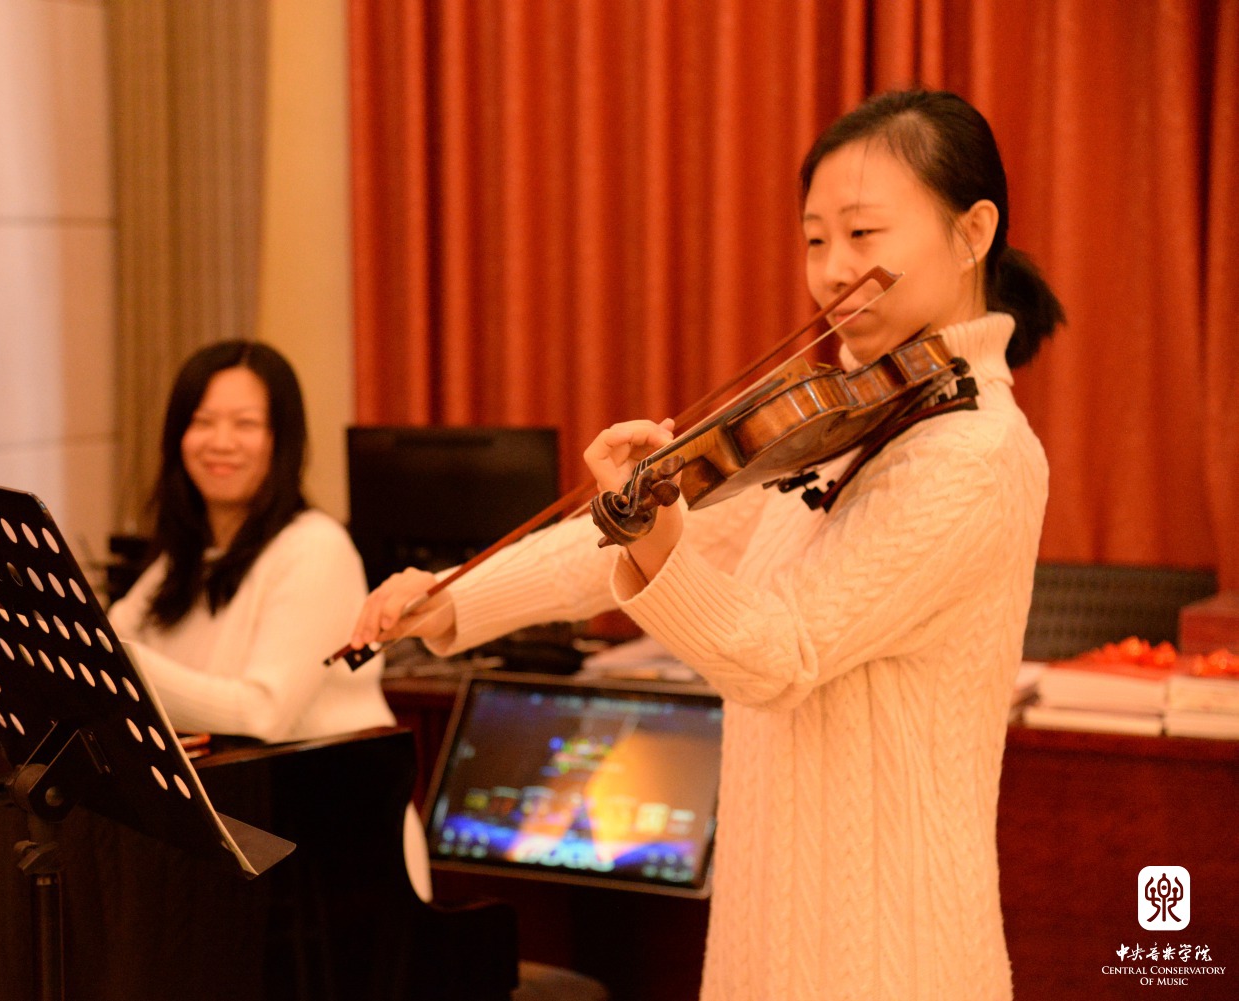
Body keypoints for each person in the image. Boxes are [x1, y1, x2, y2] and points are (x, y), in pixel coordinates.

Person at [351, 89, 1063, 1000]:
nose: (832, 271)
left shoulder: (975, 453)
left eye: (862, 234)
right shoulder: (839, 420)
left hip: (896, 958)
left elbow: (782, 653)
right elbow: (623, 538)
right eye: (815, 240)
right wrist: (455, 596)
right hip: (766, 939)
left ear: (973, 232)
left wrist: (654, 543)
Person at [110, 339, 431, 900]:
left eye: (245, 424)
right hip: (237, 841)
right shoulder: (183, 557)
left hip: (334, 844)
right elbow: (109, 641)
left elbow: (263, 713)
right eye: (202, 422)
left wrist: (120, 665)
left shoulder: (314, 548)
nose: (221, 442)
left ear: (282, 440)